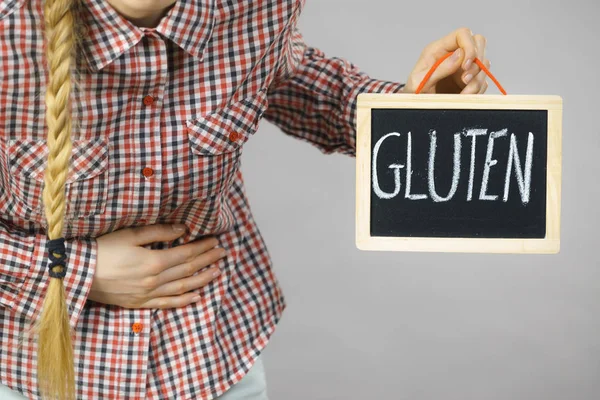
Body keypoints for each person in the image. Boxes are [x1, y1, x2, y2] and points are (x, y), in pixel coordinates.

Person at [0, 0, 490, 399]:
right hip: (30, 371)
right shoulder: (10, 28)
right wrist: (72, 270)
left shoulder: (259, 11)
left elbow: (294, 79)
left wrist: (410, 110)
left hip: (212, 359)